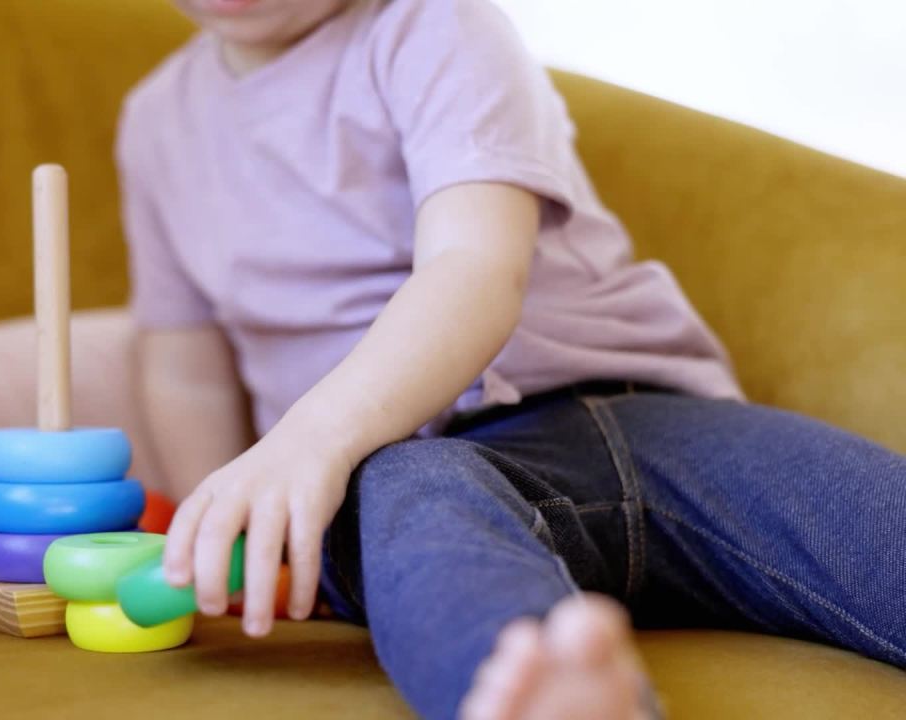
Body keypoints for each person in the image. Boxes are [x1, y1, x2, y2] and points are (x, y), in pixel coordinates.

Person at [120, 1, 906, 718]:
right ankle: (551, 698)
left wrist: (311, 436)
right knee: (421, 509)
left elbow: (473, 267)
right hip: (404, 467)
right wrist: (223, 528)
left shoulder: (432, 26)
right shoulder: (156, 123)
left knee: (862, 518)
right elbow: (185, 364)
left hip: (638, 417)